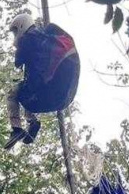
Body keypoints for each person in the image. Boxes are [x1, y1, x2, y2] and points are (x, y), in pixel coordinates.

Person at [5, 11, 80, 150]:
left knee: (14, 93)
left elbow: (18, 61)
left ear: (22, 26)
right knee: (29, 91)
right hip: (65, 97)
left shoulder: (28, 40)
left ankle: (17, 129)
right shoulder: (48, 37)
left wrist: (20, 51)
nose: (15, 37)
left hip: (49, 92)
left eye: (15, 32)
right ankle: (32, 121)